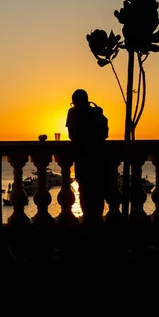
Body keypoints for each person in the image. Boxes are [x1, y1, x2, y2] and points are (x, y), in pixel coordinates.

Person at [65, 89, 108, 225]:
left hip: (83, 158)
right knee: (97, 192)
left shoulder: (73, 113)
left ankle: (88, 221)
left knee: (84, 191)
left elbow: (71, 135)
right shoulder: (97, 112)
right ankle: (97, 222)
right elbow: (104, 135)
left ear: (75, 102)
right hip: (99, 158)